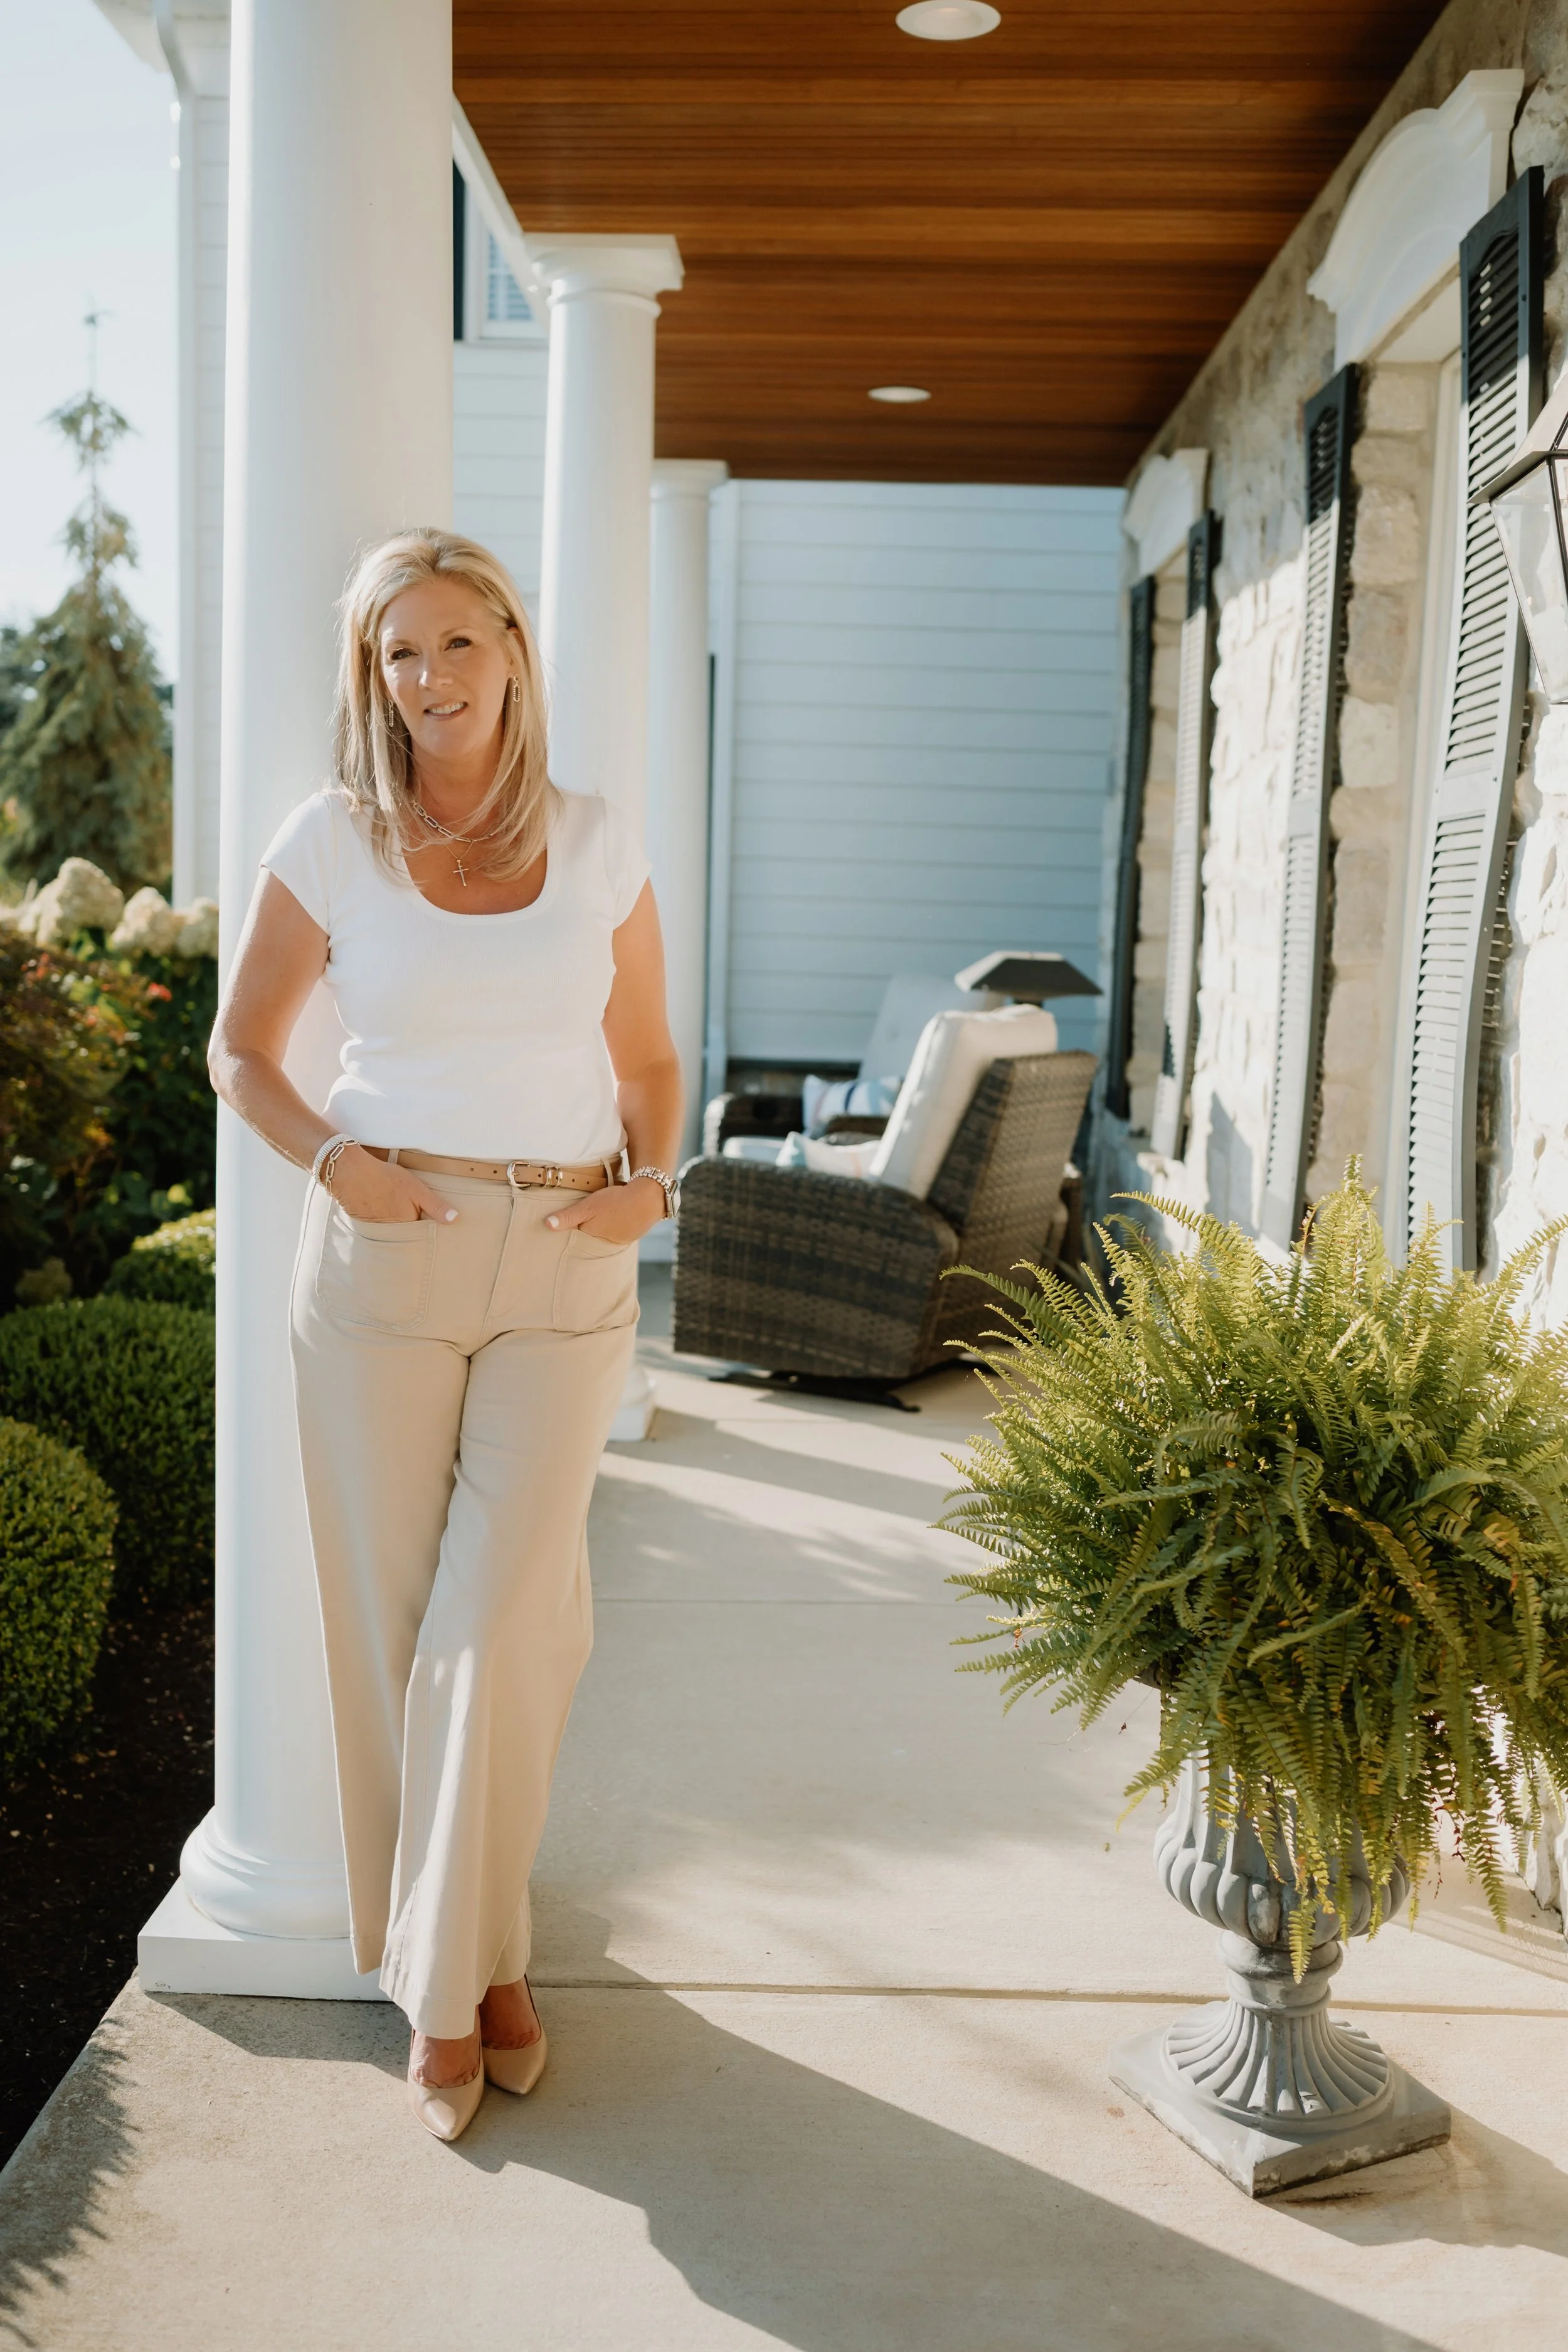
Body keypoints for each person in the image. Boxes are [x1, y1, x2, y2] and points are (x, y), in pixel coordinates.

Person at [208, 528, 682, 2142]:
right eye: (397, 654)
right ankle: (464, 1982)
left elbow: (650, 1062)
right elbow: (242, 1052)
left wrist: (650, 1186)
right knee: (393, 1626)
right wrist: (341, 1164)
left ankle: (452, 1966)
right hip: (384, 1261)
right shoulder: (330, 842)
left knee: (509, 1627)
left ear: (511, 650)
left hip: (563, 1256)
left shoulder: (600, 840)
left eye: (454, 645)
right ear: (373, 673)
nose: (428, 681)